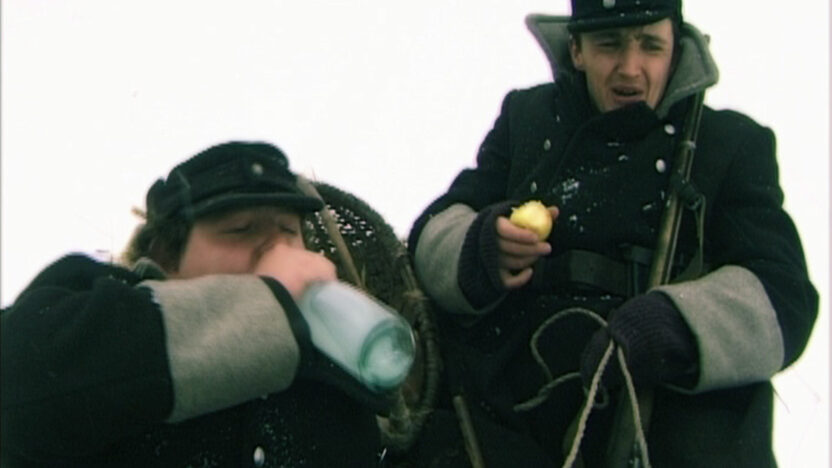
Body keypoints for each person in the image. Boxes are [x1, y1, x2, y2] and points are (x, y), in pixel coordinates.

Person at [405, 0, 818, 466]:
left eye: (650, 46)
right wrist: (482, 249)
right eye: (609, 45)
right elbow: (433, 234)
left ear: (676, 47)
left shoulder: (731, 144)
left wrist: (675, 324)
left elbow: (782, 296)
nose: (630, 68)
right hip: (504, 409)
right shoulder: (526, 118)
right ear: (576, 50)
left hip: (663, 416)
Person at [1, 141, 391, 467]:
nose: (277, 250)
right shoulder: (88, 301)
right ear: (167, 254)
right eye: (241, 230)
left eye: (289, 231)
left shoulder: (331, 362)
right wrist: (266, 303)